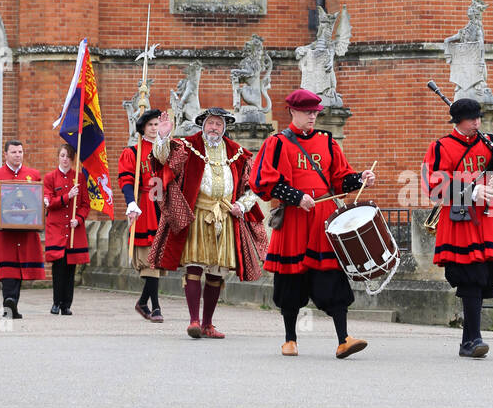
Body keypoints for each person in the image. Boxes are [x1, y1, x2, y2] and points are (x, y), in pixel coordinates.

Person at [250, 88, 376, 359]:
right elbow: (263, 181)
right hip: (295, 219)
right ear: (293, 112)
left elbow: (340, 179)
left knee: (332, 276)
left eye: (315, 112)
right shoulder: (278, 142)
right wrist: (296, 197)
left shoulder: (328, 141)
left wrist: (360, 177)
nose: (312, 117)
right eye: (307, 112)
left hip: (323, 220)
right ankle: (290, 340)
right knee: (290, 280)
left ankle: (344, 339)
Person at [423, 97, 493, 359]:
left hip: (490, 220)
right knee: (470, 277)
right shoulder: (441, 147)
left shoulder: (492, 143)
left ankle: (467, 341)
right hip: (461, 221)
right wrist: (470, 190)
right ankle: (474, 339)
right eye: (471, 118)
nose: (477, 122)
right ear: (458, 121)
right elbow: (433, 186)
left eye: (478, 117)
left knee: (487, 278)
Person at [150, 107, 265, 340]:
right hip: (198, 215)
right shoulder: (187, 146)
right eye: (211, 123)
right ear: (203, 125)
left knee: (217, 272)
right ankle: (193, 320)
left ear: (224, 128)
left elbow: (252, 187)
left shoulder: (238, 153)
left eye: (219, 124)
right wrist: (162, 137)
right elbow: (162, 160)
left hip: (225, 217)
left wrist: (241, 206)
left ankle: (208, 324)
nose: (214, 128)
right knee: (194, 266)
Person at [0, 140, 46, 319]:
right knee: (8, 269)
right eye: (14, 152)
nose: (18, 155)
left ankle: (12, 303)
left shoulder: (33, 174)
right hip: (6, 231)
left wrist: (44, 201)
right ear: (6, 154)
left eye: (20, 152)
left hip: (26, 230)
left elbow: (41, 195)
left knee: (21, 268)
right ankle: (9, 300)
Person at [118, 109, 165, 323]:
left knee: (159, 260)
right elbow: (126, 180)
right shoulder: (133, 152)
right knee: (150, 260)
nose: (154, 128)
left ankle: (143, 302)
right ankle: (155, 307)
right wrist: (131, 202)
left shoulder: (166, 149)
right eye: (151, 125)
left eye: (157, 124)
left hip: (163, 206)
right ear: (143, 128)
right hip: (146, 206)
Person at [43, 142, 90, 316]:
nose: (65, 160)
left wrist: (78, 219)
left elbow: (86, 204)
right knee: (58, 267)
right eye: (62, 156)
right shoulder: (50, 178)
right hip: (56, 229)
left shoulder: (79, 177)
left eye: (69, 157)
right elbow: (50, 203)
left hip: (73, 230)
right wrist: (67, 196)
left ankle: (66, 304)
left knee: (71, 268)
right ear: (58, 157)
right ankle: (56, 302)